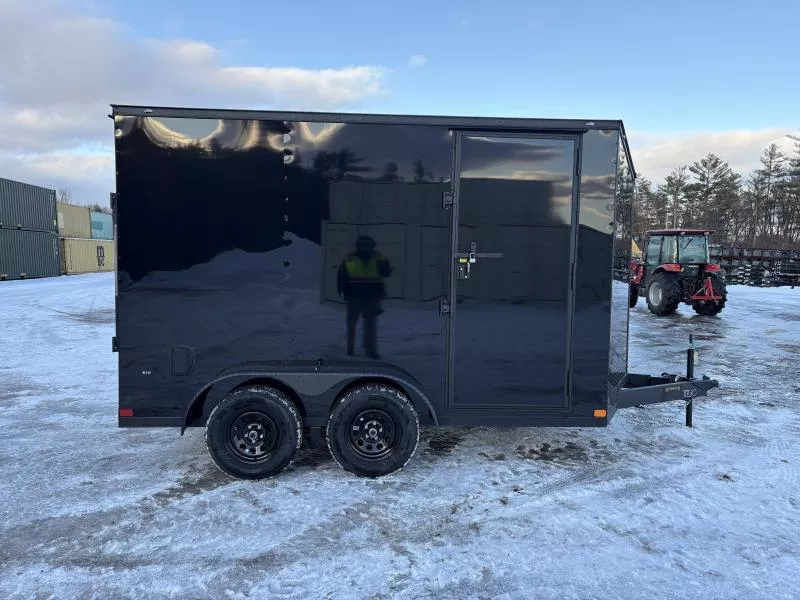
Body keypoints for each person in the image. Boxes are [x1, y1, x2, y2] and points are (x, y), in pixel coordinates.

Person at [337, 235, 392, 359]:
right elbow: (341, 275)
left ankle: (369, 350)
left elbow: (386, 273)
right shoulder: (349, 258)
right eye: (364, 245)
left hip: (370, 297)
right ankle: (351, 349)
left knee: (369, 325)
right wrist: (342, 291)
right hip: (355, 296)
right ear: (358, 246)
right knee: (354, 324)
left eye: (368, 246)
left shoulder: (379, 257)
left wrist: (382, 264)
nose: (366, 248)